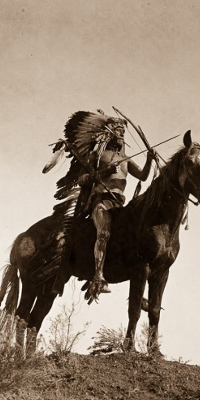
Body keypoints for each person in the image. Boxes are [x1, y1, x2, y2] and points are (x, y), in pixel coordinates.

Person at [78, 118, 157, 303]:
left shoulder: (126, 159)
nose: (121, 135)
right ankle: (98, 276)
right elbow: (82, 179)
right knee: (104, 232)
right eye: (118, 131)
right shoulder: (97, 156)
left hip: (119, 206)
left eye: (123, 132)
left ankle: (138, 286)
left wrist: (149, 160)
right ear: (108, 133)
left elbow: (144, 176)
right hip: (101, 203)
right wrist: (104, 172)